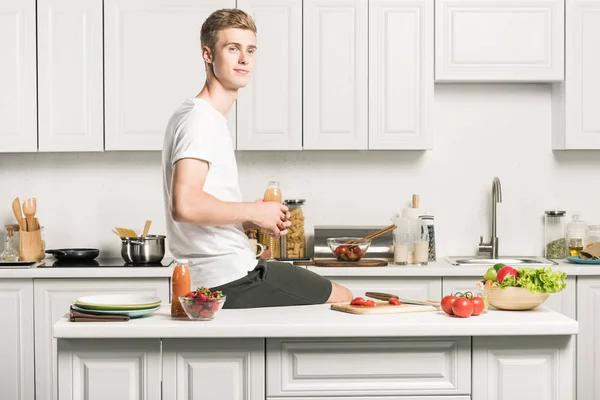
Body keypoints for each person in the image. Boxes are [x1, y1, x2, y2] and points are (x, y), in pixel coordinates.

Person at [161, 9, 353, 308]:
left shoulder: (198, 116)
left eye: (250, 50)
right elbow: (184, 205)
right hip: (230, 277)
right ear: (208, 55)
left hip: (217, 274)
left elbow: (200, 202)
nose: (244, 59)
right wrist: (254, 211)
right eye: (232, 48)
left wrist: (249, 216)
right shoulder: (200, 120)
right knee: (342, 298)